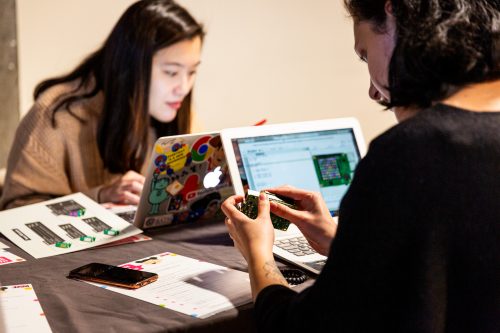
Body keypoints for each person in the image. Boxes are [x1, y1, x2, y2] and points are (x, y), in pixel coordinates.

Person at [221, 0, 500, 331]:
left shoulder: (409, 153)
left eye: (365, 53)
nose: (373, 90)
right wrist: (345, 241)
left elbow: (306, 327)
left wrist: (258, 256)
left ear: (394, 13)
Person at [0, 0, 204, 210]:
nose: (184, 87)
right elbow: (17, 210)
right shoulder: (55, 115)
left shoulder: (175, 107)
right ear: (131, 66)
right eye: (171, 72)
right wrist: (99, 196)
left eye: (192, 72)